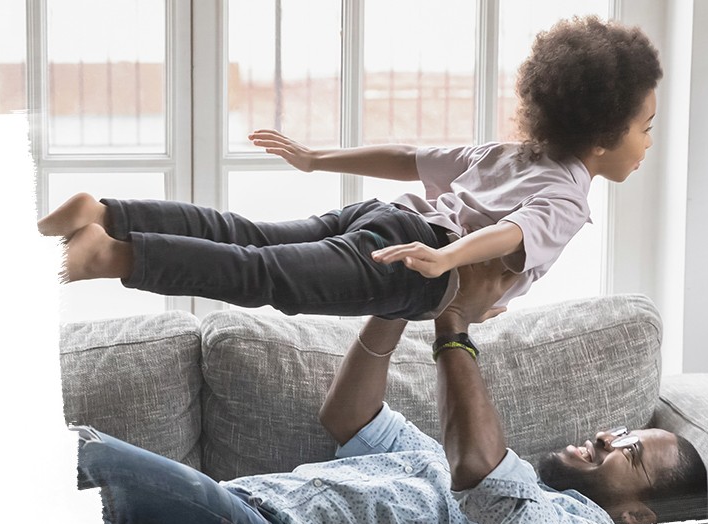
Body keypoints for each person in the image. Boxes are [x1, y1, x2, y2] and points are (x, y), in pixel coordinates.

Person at [74, 261, 707, 524]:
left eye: (631, 451)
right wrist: (400, 302)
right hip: (241, 508)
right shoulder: (451, 460)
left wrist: (453, 325)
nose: (607, 434)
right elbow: (349, 415)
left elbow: (483, 474)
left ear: (638, 515)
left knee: (82, 457)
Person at [38, 15, 662, 320]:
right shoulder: (570, 198)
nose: (648, 144)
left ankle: (106, 213)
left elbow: (407, 156)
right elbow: (515, 235)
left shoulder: (514, 154)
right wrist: (447, 260)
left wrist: (316, 159)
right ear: (604, 135)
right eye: (645, 128)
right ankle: (109, 255)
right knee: (264, 275)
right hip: (415, 258)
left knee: (251, 238)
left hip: (386, 216)